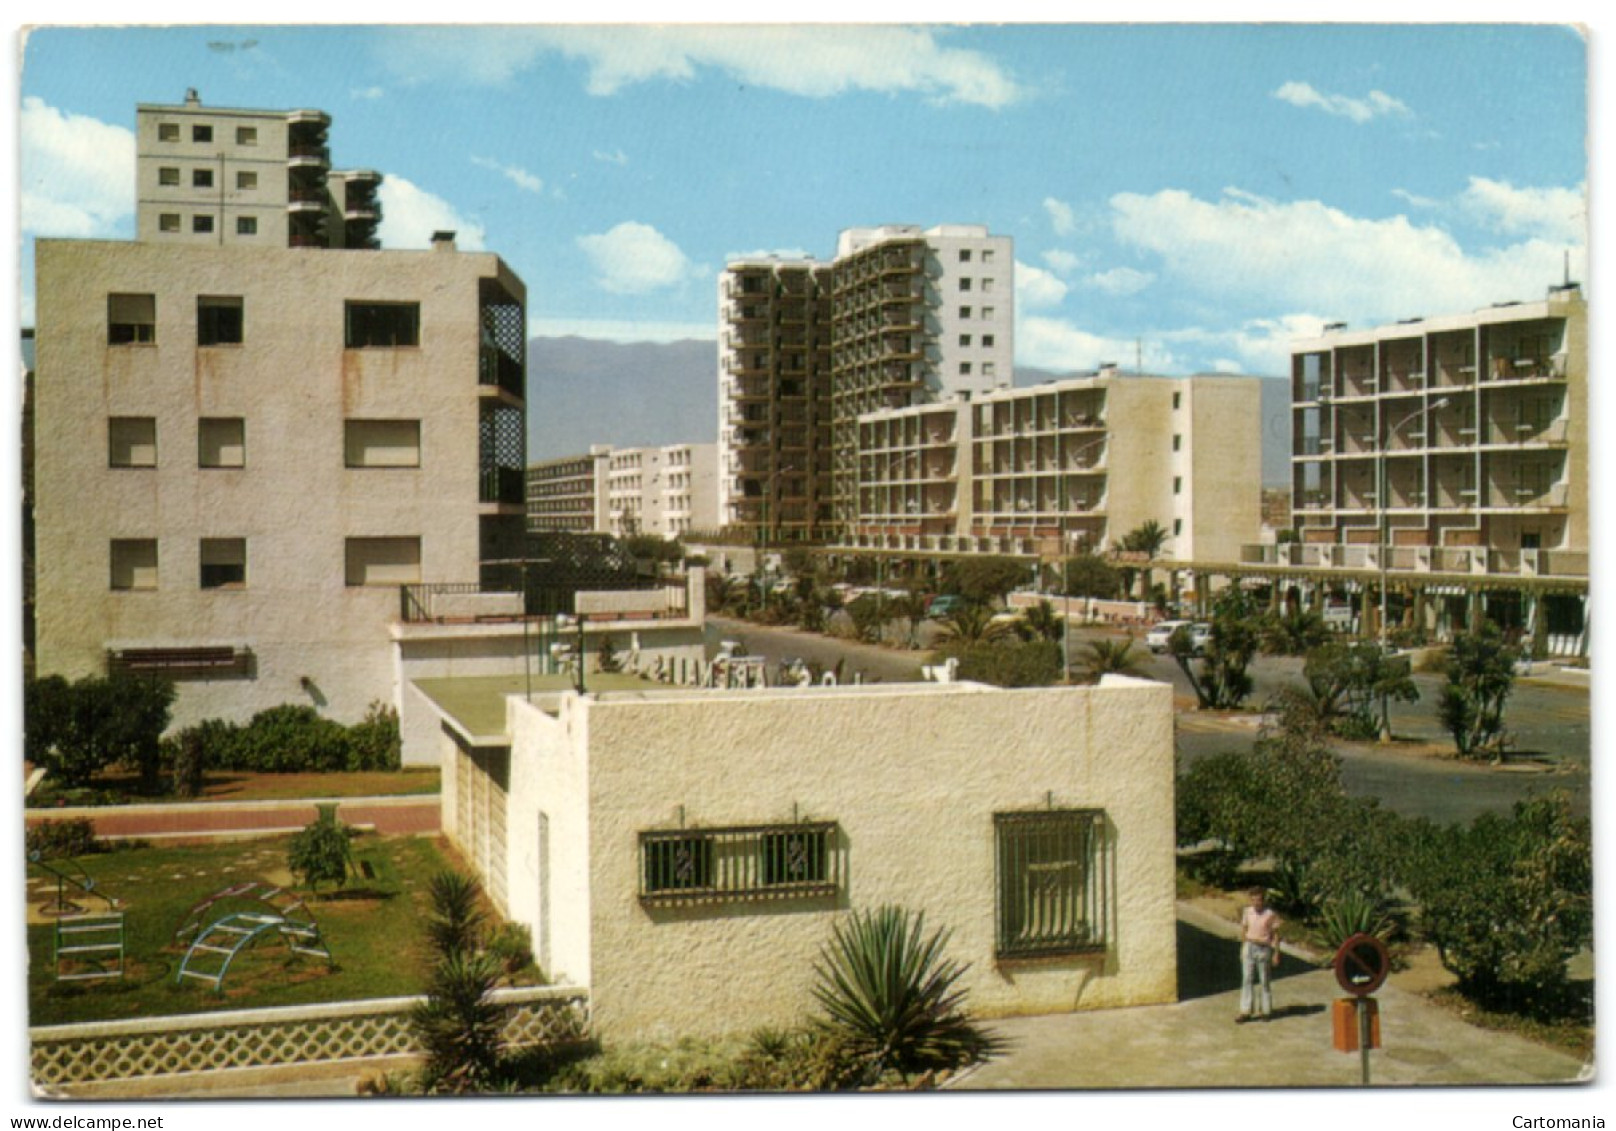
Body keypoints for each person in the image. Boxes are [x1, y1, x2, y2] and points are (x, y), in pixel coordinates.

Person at [1236, 885, 1282, 1022]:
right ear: (1251, 900)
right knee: (1247, 979)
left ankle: (1266, 1010)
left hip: (1263, 948)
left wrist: (1276, 953)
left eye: (1259, 900)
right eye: (1254, 900)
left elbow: (1276, 935)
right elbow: (1244, 929)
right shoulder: (1247, 912)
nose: (1257, 903)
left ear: (1263, 900)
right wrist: (1243, 947)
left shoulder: (1270, 914)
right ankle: (1245, 1011)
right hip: (1249, 946)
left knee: (1264, 980)